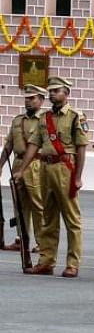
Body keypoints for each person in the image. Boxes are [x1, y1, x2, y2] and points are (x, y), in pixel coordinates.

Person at [11, 76, 88, 277]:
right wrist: (21, 169)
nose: (53, 93)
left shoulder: (75, 116)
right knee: (48, 218)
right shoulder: (44, 118)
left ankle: (72, 263)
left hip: (65, 167)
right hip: (45, 168)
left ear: (66, 93)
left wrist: (78, 176)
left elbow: (81, 148)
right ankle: (46, 261)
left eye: (56, 90)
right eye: (51, 91)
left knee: (72, 219)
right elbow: (34, 145)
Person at [1, 85, 46, 255]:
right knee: (19, 204)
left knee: (37, 204)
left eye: (32, 98)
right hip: (18, 164)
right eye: (26, 98)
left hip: (36, 165)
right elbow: (9, 145)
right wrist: (0, 166)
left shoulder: (45, 120)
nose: (28, 101)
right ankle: (21, 238)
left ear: (41, 100)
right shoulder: (17, 120)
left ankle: (42, 241)